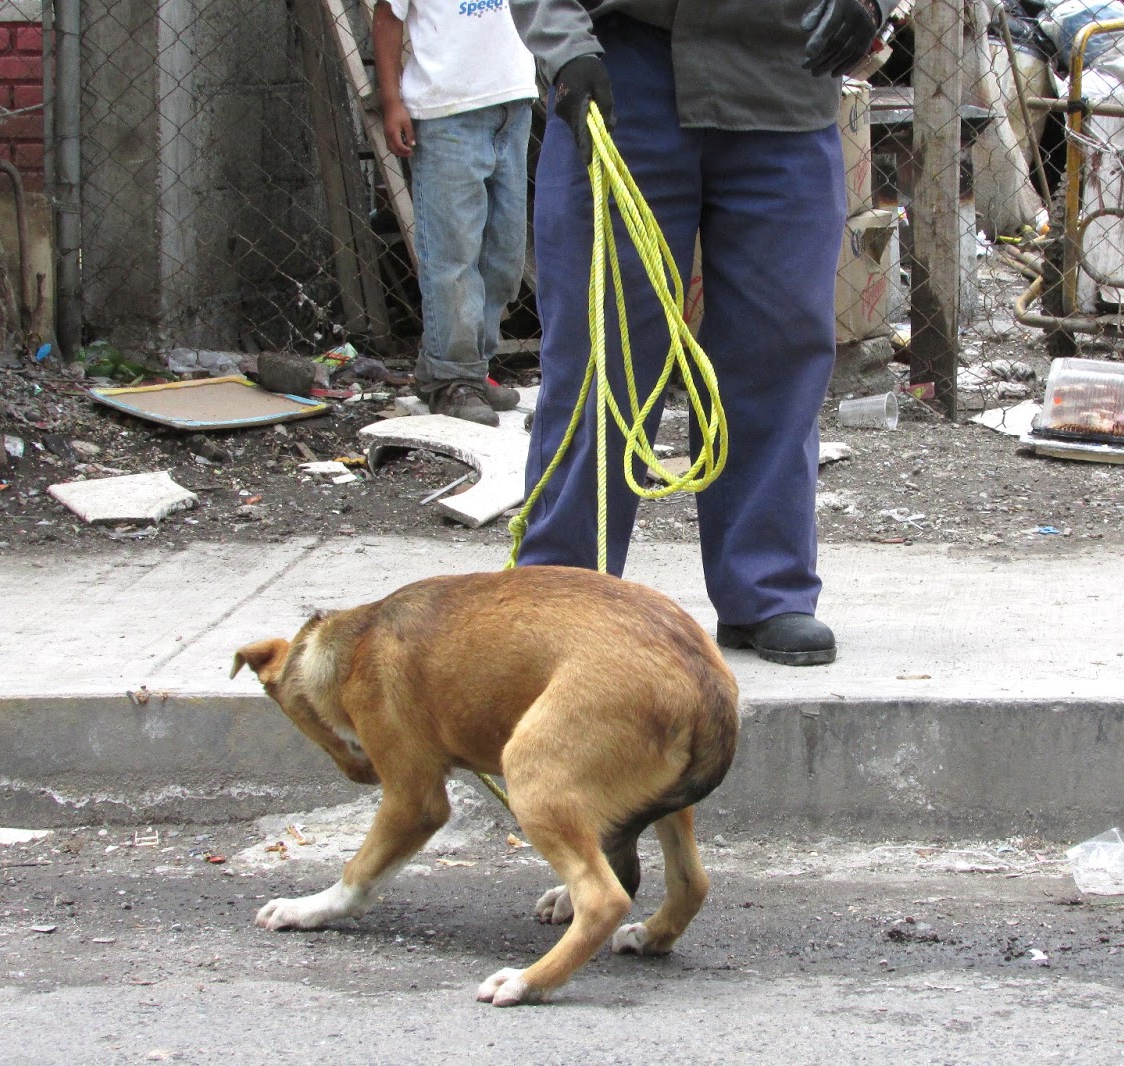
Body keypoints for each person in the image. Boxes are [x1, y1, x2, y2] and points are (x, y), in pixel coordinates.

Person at [507, 0, 885, 666]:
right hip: (624, 65)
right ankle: (563, 589)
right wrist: (564, 48)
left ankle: (766, 590)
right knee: (605, 347)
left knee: (779, 344)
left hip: (784, 71)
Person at [374, 0, 536, 426]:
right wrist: (392, 101)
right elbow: (388, 17)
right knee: (454, 254)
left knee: (503, 255)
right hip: (448, 114)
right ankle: (453, 379)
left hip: (514, 106)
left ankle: (471, 369)